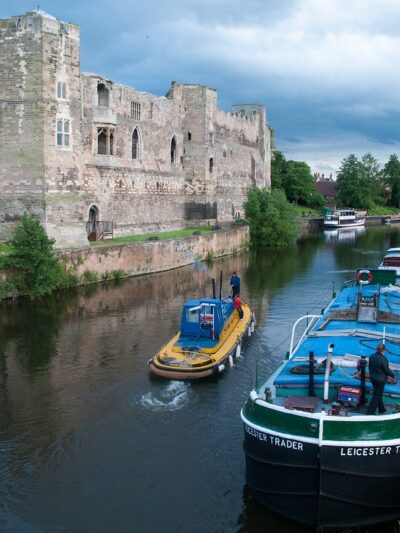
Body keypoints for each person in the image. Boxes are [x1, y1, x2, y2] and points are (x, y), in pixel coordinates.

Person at [366, 343, 395, 415]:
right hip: (381, 380)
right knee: (376, 396)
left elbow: (370, 367)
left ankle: (381, 409)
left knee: (378, 393)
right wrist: (393, 375)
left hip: (373, 378)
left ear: (376, 349)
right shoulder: (384, 359)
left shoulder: (371, 356)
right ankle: (369, 413)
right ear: (384, 350)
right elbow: (386, 370)